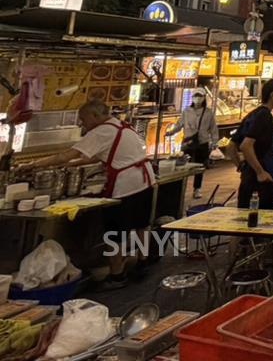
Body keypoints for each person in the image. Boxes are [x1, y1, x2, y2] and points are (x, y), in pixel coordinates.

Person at [24, 97, 154, 289]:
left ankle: (116, 276)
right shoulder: (120, 125)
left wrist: (32, 164)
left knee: (115, 234)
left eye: (83, 119)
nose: (82, 123)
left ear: (94, 115)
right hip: (145, 180)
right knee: (141, 226)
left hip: (126, 186)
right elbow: (95, 156)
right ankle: (142, 263)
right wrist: (73, 164)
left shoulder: (101, 132)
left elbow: (67, 155)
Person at [231, 78, 273, 210]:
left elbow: (231, 146)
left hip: (249, 178)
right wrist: (260, 172)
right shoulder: (264, 116)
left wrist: (242, 166)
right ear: (272, 94)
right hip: (260, 182)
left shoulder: (253, 114)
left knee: (244, 221)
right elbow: (246, 145)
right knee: (260, 222)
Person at [166, 87, 219, 199]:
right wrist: (171, 132)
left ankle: (197, 189)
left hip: (202, 143)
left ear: (204, 98)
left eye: (200, 96)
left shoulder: (208, 113)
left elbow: (213, 128)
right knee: (181, 165)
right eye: (195, 96)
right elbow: (180, 124)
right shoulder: (186, 111)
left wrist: (215, 142)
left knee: (199, 167)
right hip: (188, 142)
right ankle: (178, 189)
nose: (197, 98)